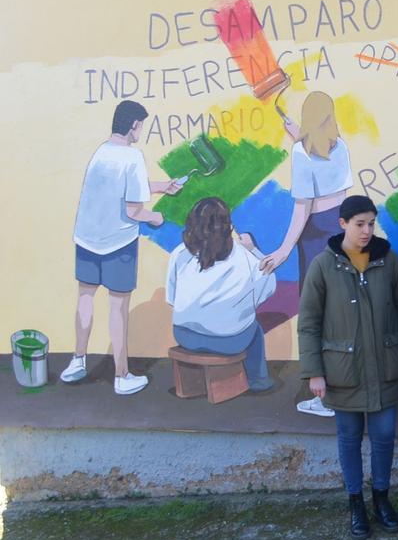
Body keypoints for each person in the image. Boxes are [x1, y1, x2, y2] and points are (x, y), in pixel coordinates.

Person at [298, 195, 398, 540]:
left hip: (385, 367)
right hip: (341, 370)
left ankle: (381, 499)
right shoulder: (323, 264)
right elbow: (309, 323)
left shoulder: (388, 260)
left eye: (371, 223)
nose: (366, 231)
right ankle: (355, 504)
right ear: (343, 223)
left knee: (384, 438)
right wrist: (314, 371)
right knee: (348, 439)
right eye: (359, 223)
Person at [63, 100, 180, 394]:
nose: (141, 130)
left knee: (85, 298)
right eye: (141, 125)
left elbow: (122, 185)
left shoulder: (102, 152)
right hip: (117, 243)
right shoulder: (132, 156)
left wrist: (162, 186)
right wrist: (156, 217)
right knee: (118, 307)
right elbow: (133, 211)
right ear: (134, 126)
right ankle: (122, 376)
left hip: (88, 238)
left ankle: (78, 361)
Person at [259, 91, 353, 417]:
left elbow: (303, 207)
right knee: (341, 309)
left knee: (315, 316)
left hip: (313, 235)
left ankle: (323, 396)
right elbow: (334, 185)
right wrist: (297, 134)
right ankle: (343, 386)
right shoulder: (340, 146)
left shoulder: (301, 151)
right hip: (340, 229)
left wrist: (283, 251)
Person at [166, 197, 277, 392]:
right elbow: (268, 287)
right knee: (255, 329)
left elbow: (172, 298)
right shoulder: (243, 255)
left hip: (184, 336)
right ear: (228, 227)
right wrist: (254, 250)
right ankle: (258, 381)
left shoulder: (179, 254)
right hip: (229, 342)